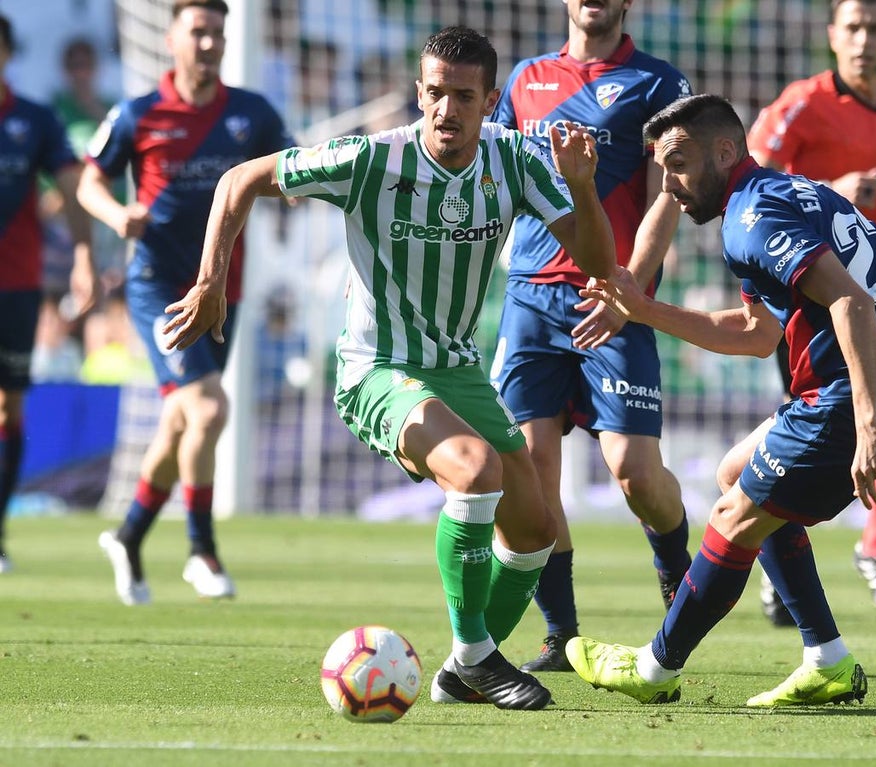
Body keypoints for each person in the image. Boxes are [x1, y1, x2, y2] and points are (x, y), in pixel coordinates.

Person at [162, 26, 615, 711]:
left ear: (492, 100)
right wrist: (209, 283)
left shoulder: (515, 161)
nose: (446, 109)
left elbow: (597, 261)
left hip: (457, 367)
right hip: (377, 366)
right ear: (419, 92)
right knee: (473, 469)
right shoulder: (371, 160)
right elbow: (239, 179)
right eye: (434, 93)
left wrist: (582, 188)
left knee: (535, 529)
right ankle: (477, 657)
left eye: (464, 96)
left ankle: (465, 670)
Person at [565, 94, 876, 707]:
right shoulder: (788, 193)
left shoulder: (753, 221)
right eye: (661, 170)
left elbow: (852, 303)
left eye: (679, 164)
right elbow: (755, 334)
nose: (669, 184)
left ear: (725, 150)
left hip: (862, 393)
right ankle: (825, 657)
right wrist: (643, 310)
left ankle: (654, 667)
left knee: (731, 519)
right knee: (737, 474)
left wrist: (870, 427)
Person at [487, 0, 694, 673]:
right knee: (531, 471)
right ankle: (562, 635)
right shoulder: (525, 78)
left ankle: (676, 564)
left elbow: (672, 192)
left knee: (635, 474)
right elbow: (493, 176)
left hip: (613, 296)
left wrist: (629, 287)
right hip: (530, 297)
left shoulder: (658, 84)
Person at [77, 0, 293, 606]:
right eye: (197, 31)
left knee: (181, 421)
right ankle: (201, 550)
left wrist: (296, 191)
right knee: (206, 411)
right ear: (171, 38)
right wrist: (117, 214)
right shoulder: (138, 115)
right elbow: (91, 178)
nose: (209, 42)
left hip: (224, 288)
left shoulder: (253, 115)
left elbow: (292, 166)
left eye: (217, 33)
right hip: (157, 288)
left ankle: (129, 535)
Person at [745, 0, 876, 618]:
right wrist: (834, 193)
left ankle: (875, 547)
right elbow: (748, 178)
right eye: (851, 27)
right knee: (808, 433)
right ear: (833, 36)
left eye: (874, 28)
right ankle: (775, 559)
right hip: (813, 286)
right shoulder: (802, 102)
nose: (862, 39)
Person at [0, 13, 97, 573]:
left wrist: (84, 255)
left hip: (14, 285)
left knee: (8, 405)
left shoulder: (32, 121)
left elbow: (69, 184)